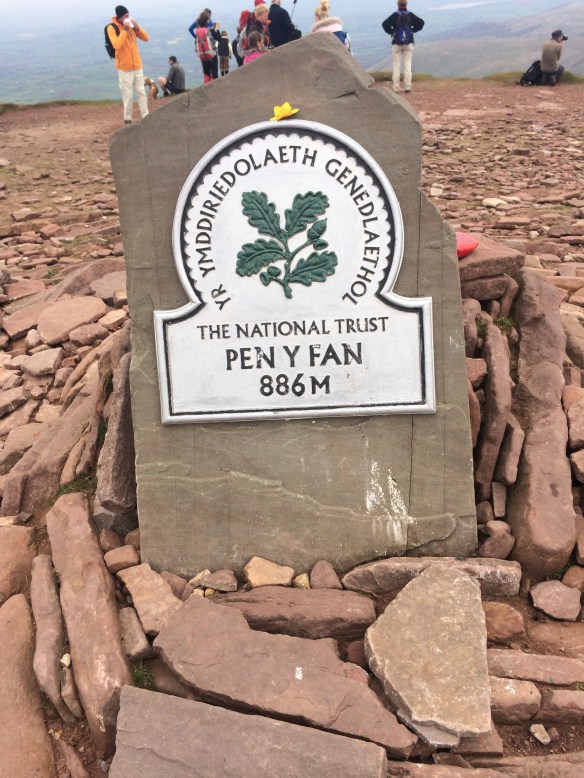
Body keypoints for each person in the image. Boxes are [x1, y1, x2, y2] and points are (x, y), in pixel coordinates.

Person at [107, 5, 149, 124]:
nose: (128, 18)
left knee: (141, 91)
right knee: (128, 94)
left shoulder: (131, 26)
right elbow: (116, 45)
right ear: (120, 17)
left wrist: (136, 27)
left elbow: (146, 38)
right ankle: (128, 118)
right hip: (124, 68)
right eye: (125, 16)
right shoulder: (112, 28)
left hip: (137, 66)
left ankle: (145, 116)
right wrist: (124, 30)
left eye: (128, 15)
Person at [382, 0, 425, 94]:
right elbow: (421, 23)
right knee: (407, 65)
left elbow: (384, 24)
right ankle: (408, 87)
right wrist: (412, 30)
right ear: (406, 4)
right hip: (409, 43)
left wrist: (392, 32)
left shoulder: (394, 15)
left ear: (398, 4)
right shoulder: (410, 15)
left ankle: (396, 88)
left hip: (396, 43)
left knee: (396, 65)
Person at [192, 10, 222, 83]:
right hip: (212, 54)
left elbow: (196, 43)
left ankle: (206, 88)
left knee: (206, 73)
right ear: (207, 21)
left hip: (203, 56)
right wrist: (217, 28)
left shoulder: (198, 32)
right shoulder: (210, 30)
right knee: (214, 74)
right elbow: (218, 38)